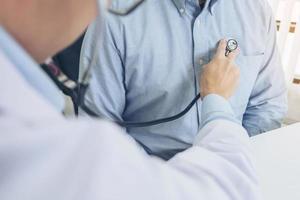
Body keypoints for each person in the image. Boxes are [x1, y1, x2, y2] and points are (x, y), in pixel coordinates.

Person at [0, 0, 261, 199]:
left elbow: (267, 106)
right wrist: (216, 102)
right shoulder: (62, 150)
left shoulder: (255, 10)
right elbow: (226, 188)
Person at [80, 0, 288, 160]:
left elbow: (267, 107)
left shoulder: (255, 9)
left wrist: (233, 165)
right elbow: (101, 128)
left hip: (231, 177)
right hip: (148, 182)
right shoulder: (115, 15)